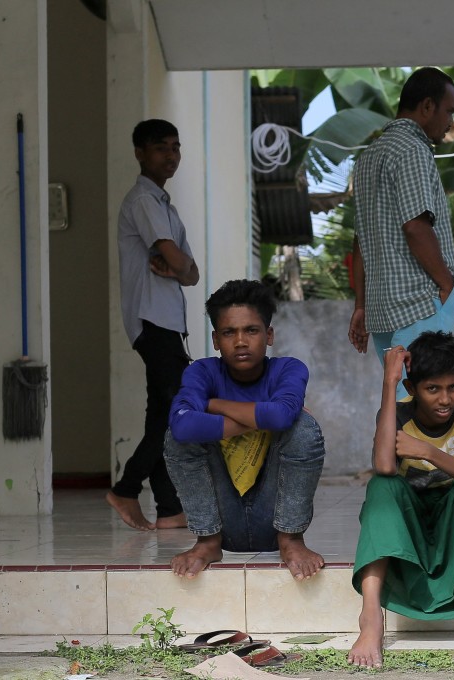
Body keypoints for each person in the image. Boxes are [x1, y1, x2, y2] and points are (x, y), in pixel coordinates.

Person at [348, 332, 454, 670]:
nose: (445, 399)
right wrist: (389, 382)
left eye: (452, 387)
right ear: (412, 389)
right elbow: (383, 466)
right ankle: (370, 616)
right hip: (410, 523)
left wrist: (428, 452)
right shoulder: (396, 413)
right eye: (432, 389)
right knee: (381, 488)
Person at [163, 279, 326, 580]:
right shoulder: (202, 372)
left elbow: (282, 419)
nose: (240, 341)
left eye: (251, 330)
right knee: (176, 438)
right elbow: (183, 426)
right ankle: (207, 543)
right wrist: (263, 416)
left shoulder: (288, 369)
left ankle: (291, 540)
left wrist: (212, 404)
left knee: (302, 427)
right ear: (215, 339)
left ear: (269, 334)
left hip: (275, 518)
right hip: (222, 521)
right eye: (229, 332)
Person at [107, 119, 199, 531]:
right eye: (161, 147)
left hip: (167, 323)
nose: (171, 155)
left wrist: (178, 268)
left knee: (161, 414)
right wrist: (177, 265)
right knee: (176, 411)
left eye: (176, 147)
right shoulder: (143, 201)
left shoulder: (166, 207)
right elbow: (180, 262)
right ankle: (126, 489)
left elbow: (192, 273)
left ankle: (169, 508)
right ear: (140, 153)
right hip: (152, 320)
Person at [347, 67, 454, 399]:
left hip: (382, 309)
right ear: (427, 106)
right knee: (428, 409)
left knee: (399, 408)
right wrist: (446, 283)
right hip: (420, 302)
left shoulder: (368, 158)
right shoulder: (412, 149)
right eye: (449, 110)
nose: (451, 121)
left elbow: (361, 239)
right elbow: (415, 226)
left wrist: (361, 305)